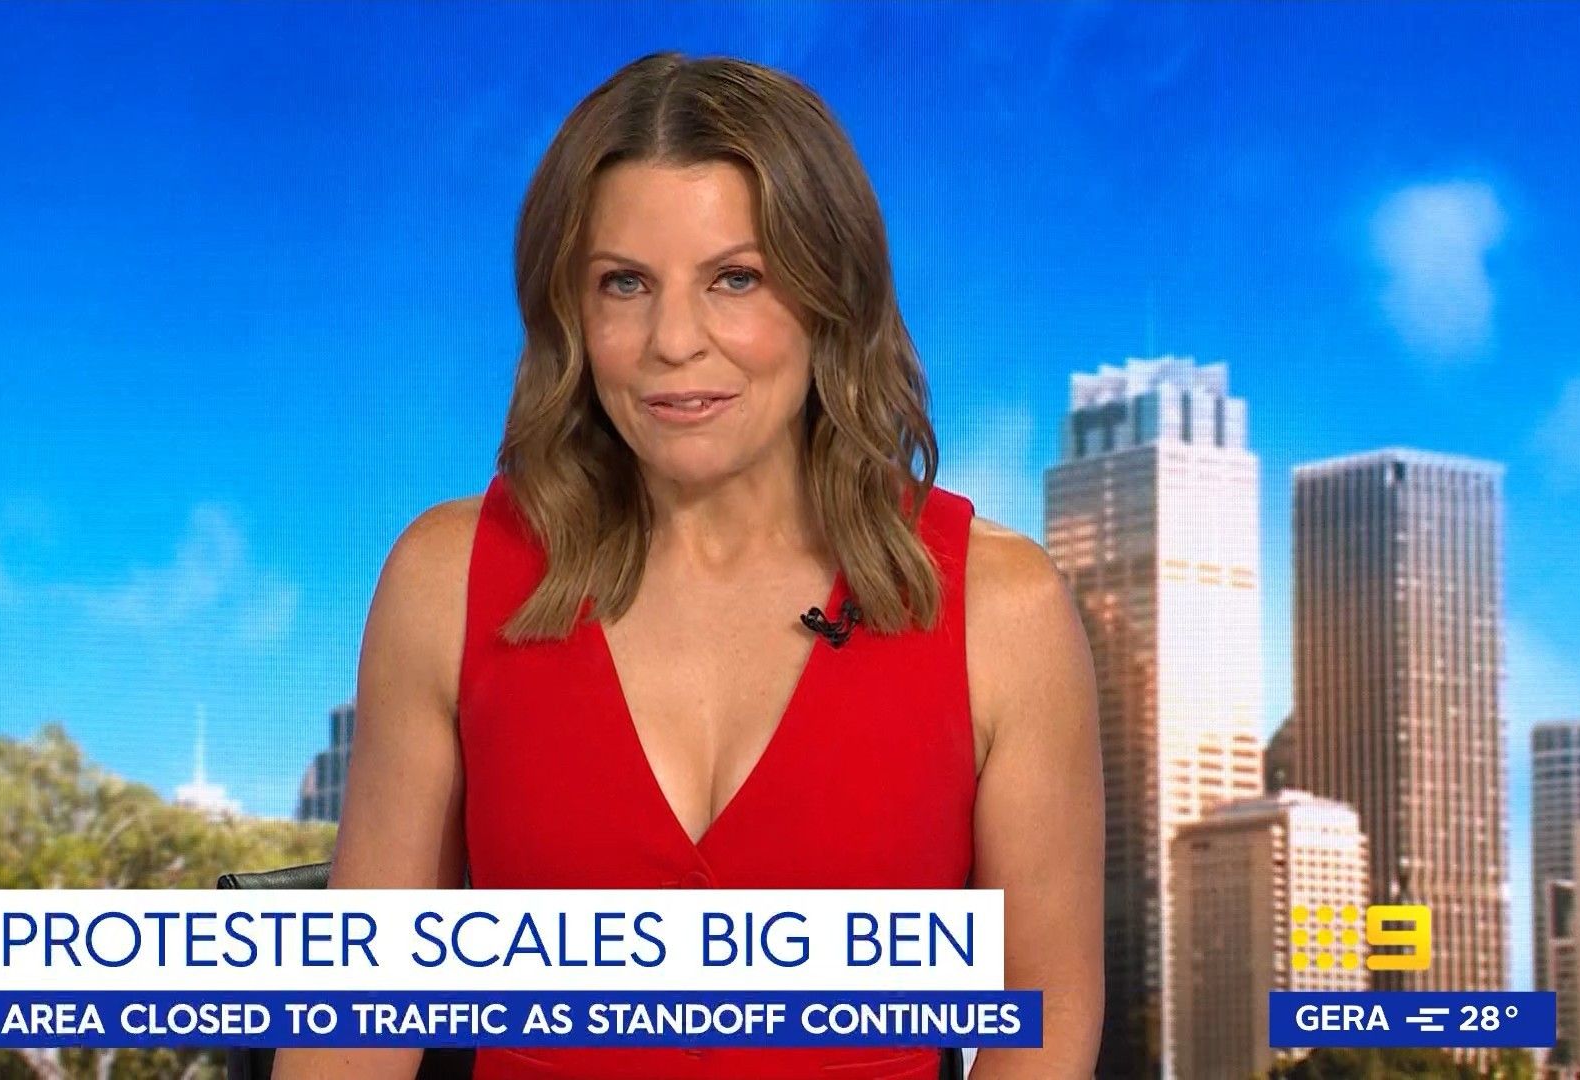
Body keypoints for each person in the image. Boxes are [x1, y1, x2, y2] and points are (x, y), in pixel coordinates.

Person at [275, 51, 1103, 1080]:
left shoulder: (1002, 608)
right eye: (624, 284)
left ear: (830, 296)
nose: (673, 340)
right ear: (571, 314)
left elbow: (1044, 1019)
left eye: (734, 280)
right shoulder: (445, 579)